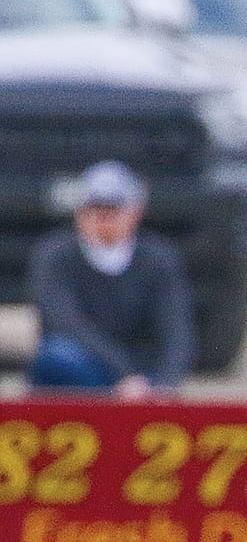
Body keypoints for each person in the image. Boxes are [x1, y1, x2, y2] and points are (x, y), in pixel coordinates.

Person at [27, 159, 194, 397]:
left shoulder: (158, 259)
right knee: (56, 355)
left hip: (141, 373)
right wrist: (122, 375)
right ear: (79, 213)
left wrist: (165, 383)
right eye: (94, 210)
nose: (102, 219)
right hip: (84, 369)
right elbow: (65, 321)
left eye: (112, 210)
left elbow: (176, 329)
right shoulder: (55, 256)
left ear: (134, 213)